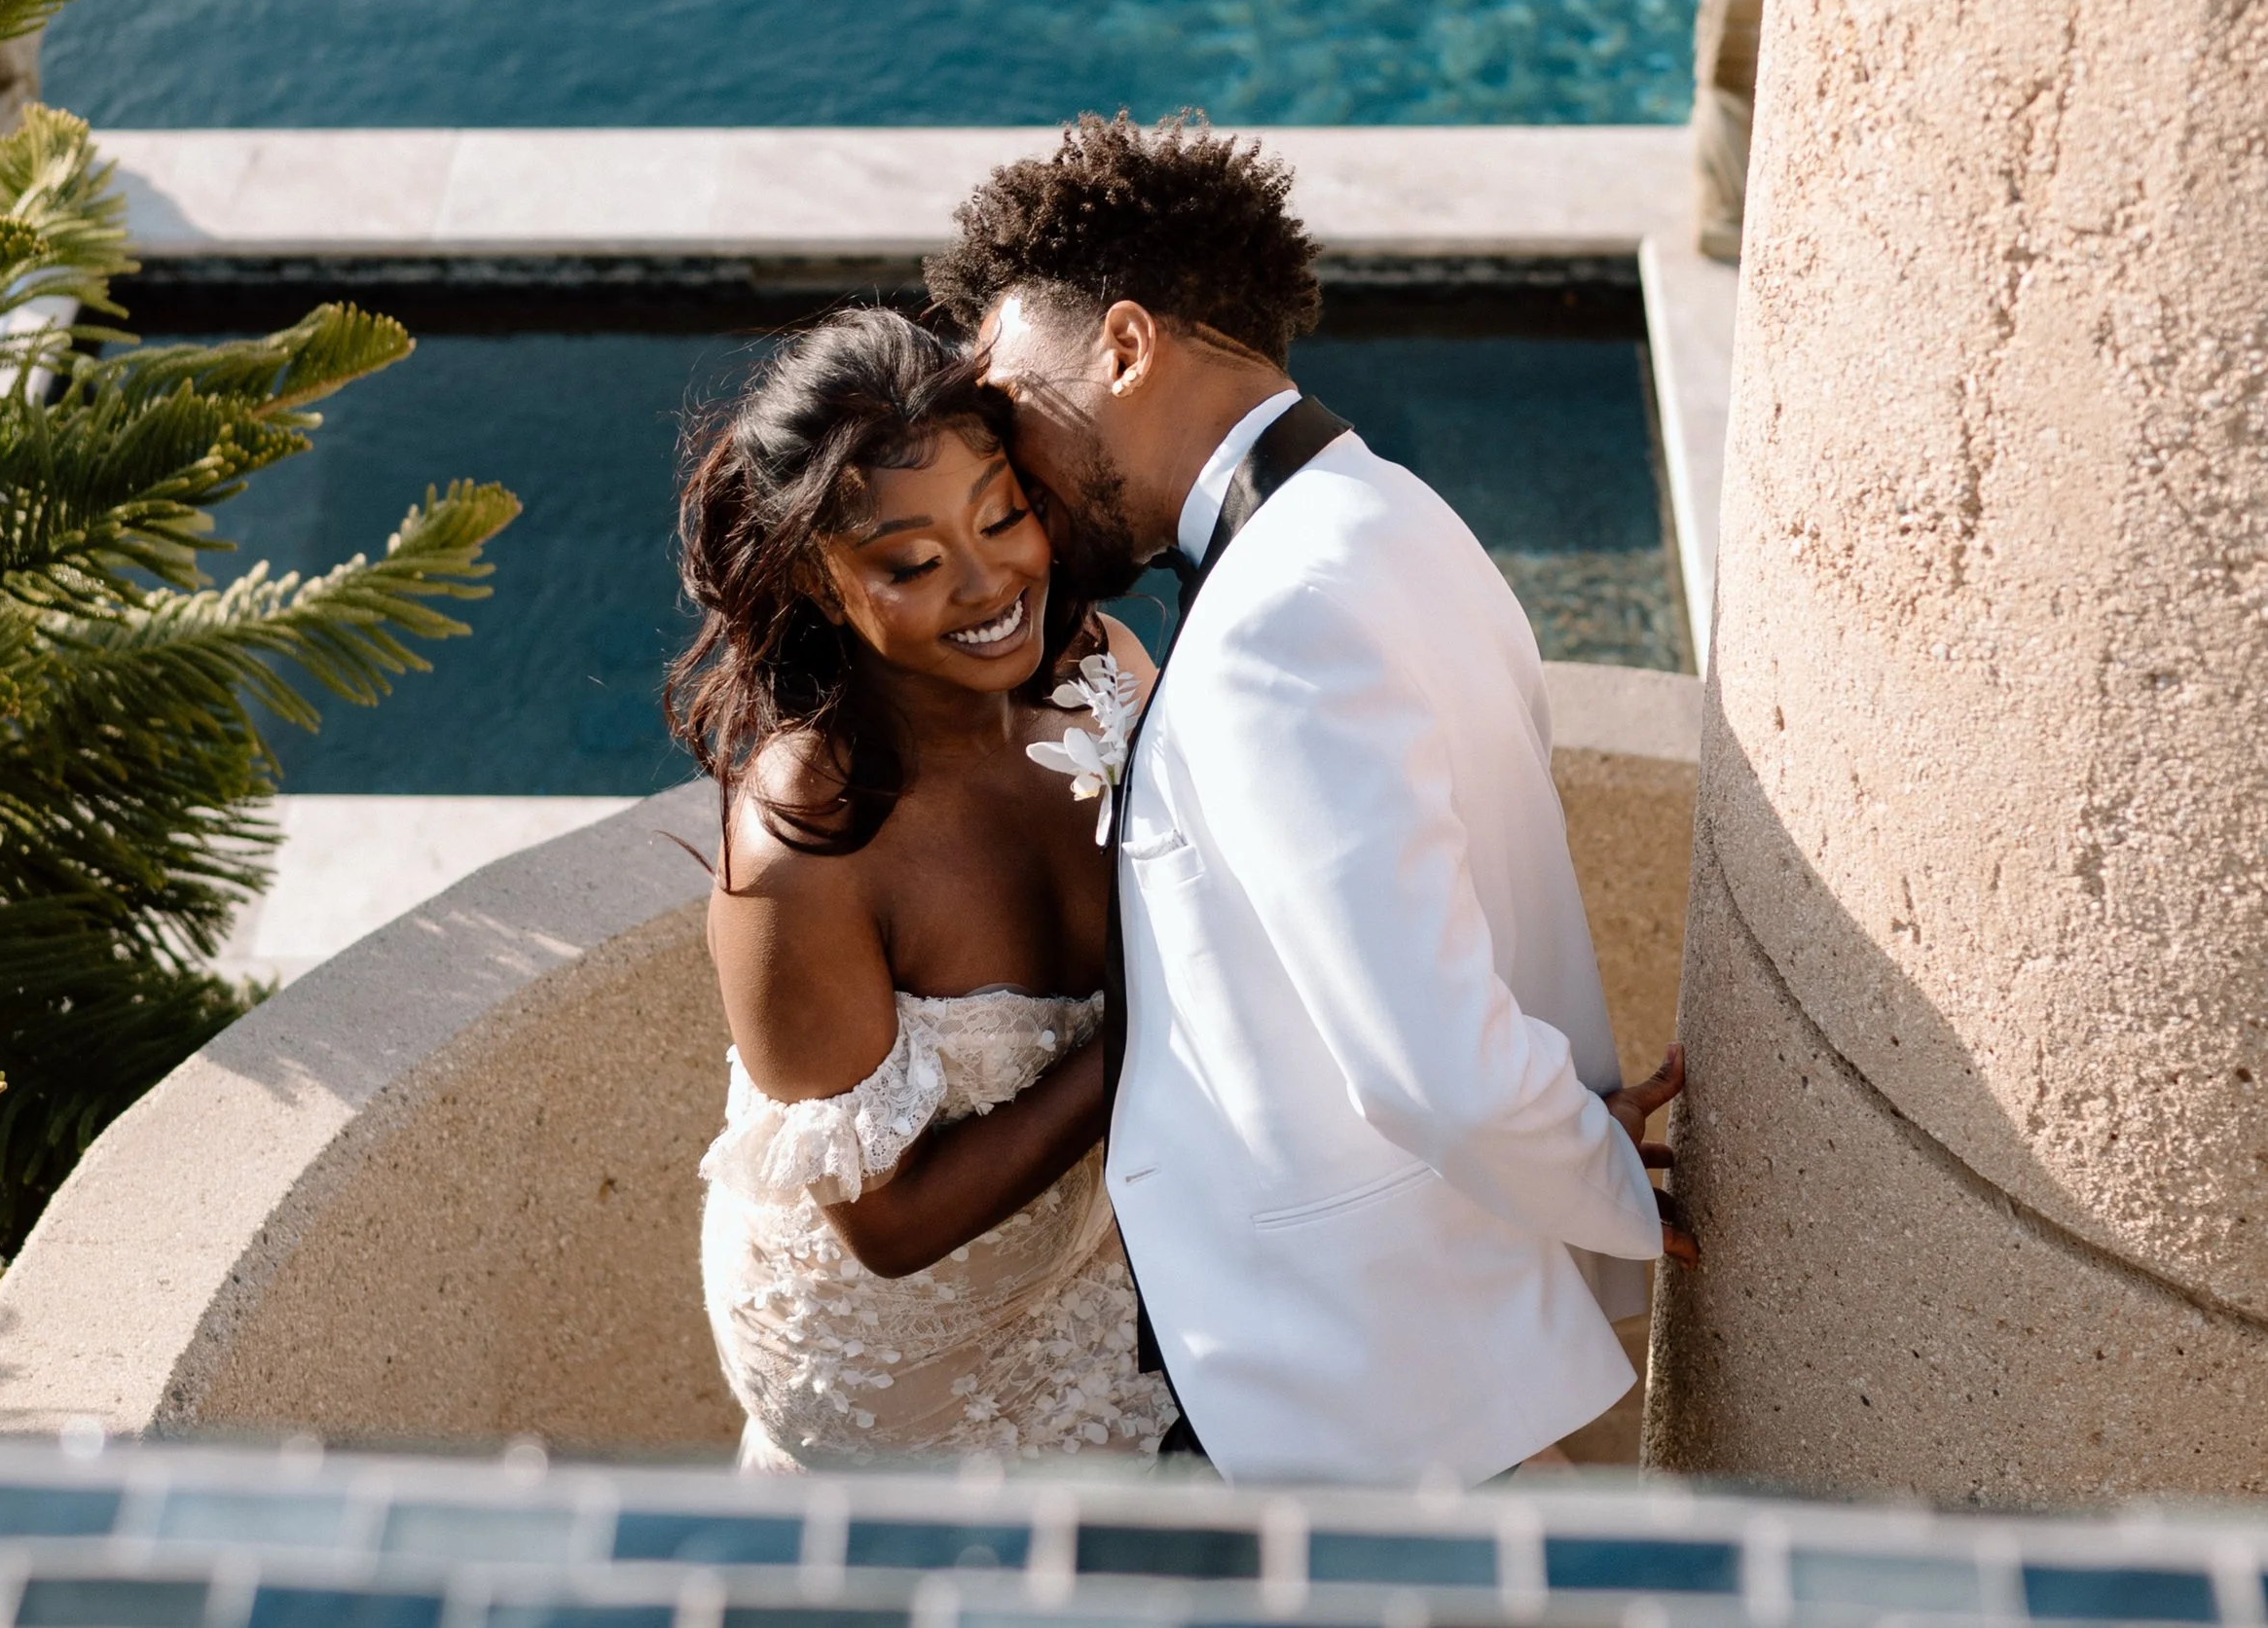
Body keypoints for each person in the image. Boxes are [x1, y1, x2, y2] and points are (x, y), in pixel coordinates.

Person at [931, 111, 1692, 1487]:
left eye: (1005, 392)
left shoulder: (1278, 616)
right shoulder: (1397, 512)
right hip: (1430, 1332)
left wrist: (1602, 1182)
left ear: (1123, 344)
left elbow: (1432, 1062)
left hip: (1348, 1379)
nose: (995, 447)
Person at [671, 304, 1177, 1467]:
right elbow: (888, 1226)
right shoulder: (800, 853)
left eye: (1001, 515)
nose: (988, 581)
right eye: (911, 562)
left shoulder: (1104, 673)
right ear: (816, 579)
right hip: (896, 1361)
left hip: (1100, 1267)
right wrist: (1157, 1026)